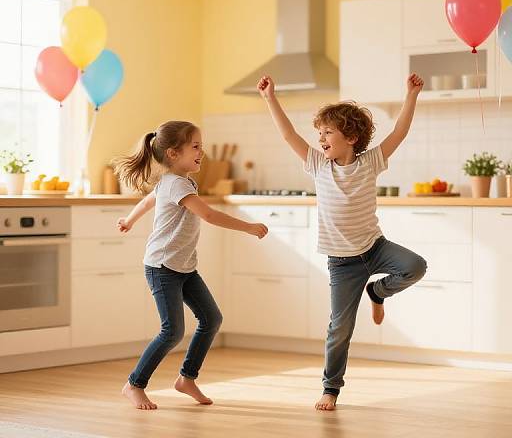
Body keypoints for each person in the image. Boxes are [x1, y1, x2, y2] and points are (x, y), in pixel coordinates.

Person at [257, 74, 427, 411]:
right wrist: (269, 99)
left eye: (327, 133)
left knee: (416, 266)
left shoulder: (370, 162)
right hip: (342, 262)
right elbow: (288, 133)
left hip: (375, 248)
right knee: (340, 328)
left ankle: (378, 292)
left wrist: (411, 95)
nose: (320, 139)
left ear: (350, 137)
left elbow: (399, 133)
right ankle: (330, 389)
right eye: (319, 133)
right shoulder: (318, 165)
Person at [114, 120, 268, 410]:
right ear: (173, 153)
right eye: (195, 146)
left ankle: (186, 379)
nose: (202, 152)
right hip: (162, 267)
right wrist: (248, 227)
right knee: (172, 330)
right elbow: (208, 215)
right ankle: (134, 384)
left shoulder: (175, 182)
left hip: (183, 266)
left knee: (211, 319)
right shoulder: (177, 184)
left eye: (201, 146)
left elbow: (149, 200)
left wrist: (130, 220)